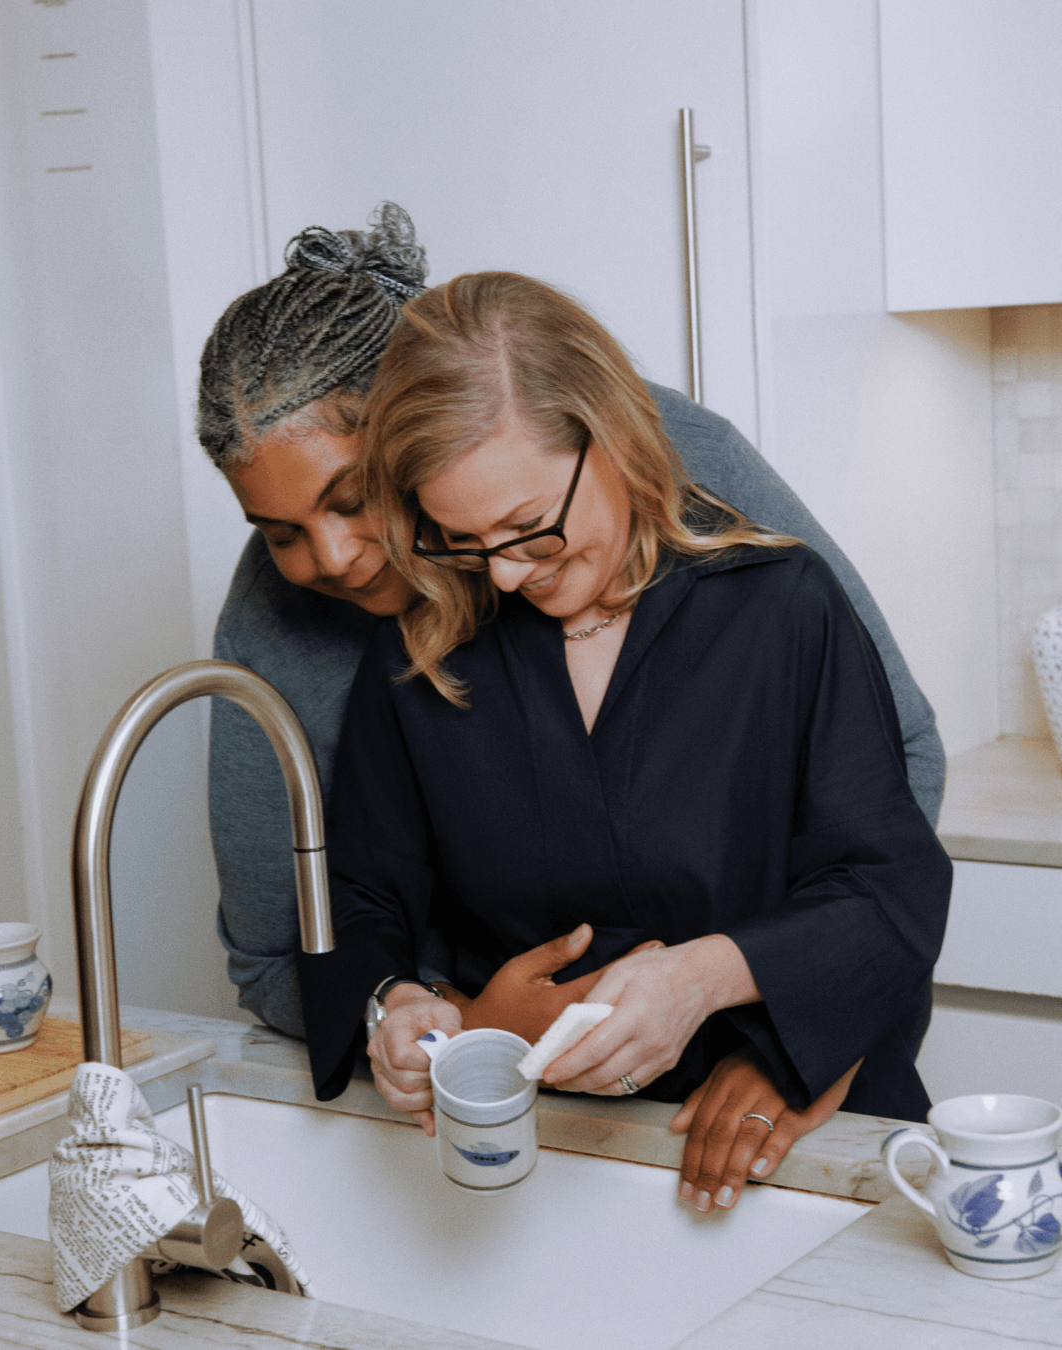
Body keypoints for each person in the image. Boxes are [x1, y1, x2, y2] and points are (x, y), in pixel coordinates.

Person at [199, 207, 946, 1053]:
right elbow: (313, 932)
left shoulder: (748, 559)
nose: (333, 558)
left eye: (352, 498)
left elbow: (889, 839)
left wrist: (794, 1048)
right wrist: (448, 1028)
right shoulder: (381, 638)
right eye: (279, 529)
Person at [295, 270, 953, 1215]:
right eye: (465, 540)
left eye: (532, 529)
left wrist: (709, 981)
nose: (510, 574)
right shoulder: (421, 651)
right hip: (540, 1161)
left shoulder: (778, 608)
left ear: (610, 436)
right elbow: (354, 899)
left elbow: (889, 890)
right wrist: (393, 1007)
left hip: (772, 1146)